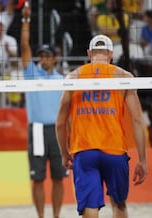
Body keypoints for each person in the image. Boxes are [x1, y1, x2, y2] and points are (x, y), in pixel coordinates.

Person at [55, 34, 148, 217]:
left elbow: (60, 122)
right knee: (119, 204)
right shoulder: (124, 76)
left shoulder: (74, 76)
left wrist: (64, 153)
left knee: (90, 206)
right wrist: (143, 160)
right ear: (110, 54)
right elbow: (138, 120)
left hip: (85, 150)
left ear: (89, 54)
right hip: (114, 150)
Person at [20, 3, 68, 218]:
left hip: (58, 131)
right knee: (37, 178)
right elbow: (24, 46)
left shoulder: (63, 80)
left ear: (55, 58)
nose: (44, 58)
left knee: (59, 177)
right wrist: (26, 20)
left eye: (48, 55)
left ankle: (56, 216)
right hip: (37, 130)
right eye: (42, 55)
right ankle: (41, 216)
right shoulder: (32, 74)